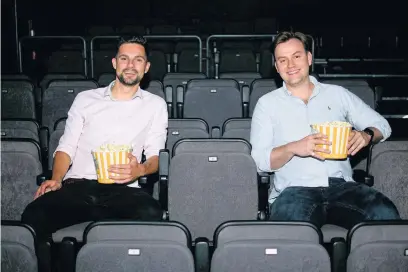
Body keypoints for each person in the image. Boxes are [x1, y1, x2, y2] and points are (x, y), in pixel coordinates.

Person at [250, 31, 400, 230]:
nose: (291, 65)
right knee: (291, 235)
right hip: (294, 189)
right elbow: (260, 161)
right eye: (283, 60)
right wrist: (293, 148)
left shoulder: (337, 94)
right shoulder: (267, 104)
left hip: (342, 186)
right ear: (277, 67)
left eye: (297, 56)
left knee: (386, 215)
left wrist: (366, 135)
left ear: (309, 58)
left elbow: (383, 126)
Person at [21, 36, 167, 239]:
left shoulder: (155, 105)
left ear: (147, 66)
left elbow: (156, 156)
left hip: (123, 189)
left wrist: (140, 169)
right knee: (33, 215)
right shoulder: (85, 99)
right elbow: (66, 146)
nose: (131, 65)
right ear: (115, 63)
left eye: (138, 60)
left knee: (152, 214)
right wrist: (56, 179)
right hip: (79, 186)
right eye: (124, 58)